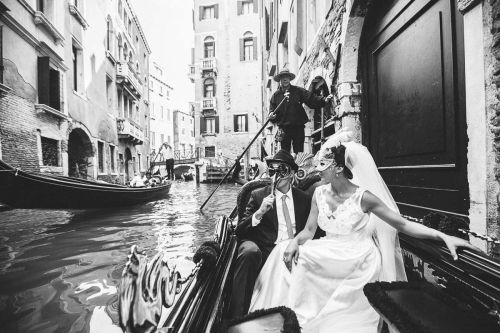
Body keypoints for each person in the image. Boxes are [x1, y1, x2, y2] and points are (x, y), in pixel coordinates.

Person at [248, 131, 479, 332]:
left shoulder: (364, 197)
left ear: (338, 168)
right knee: (286, 254)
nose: (317, 171)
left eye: (322, 166)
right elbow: (308, 231)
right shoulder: (319, 194)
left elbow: (403, 225)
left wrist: (443, 236)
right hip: (330, 248)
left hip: (358, 256)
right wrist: (294, 242)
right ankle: (291, 320)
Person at [229, 150, 313, 318]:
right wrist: (259, 213)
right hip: (268, 249)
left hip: (296, 247)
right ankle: (237, 316)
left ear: (291, 174)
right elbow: (239, 231)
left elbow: (311, 230)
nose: (276, 176)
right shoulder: (258, 195)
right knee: (249, 252)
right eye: (272, 171)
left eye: (281, 171)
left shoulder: (304, 199)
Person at [269, 69, 333, 153]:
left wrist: (324, 99)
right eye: (283, 77)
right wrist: (271, 116)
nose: (285, 79)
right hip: (284, 128)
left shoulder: (298, 91)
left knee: (299, 152)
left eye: (287, 77)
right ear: (280, 80)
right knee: (284, 153)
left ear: (290, 79)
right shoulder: (275, 95)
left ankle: (298, 166)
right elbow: (272, 112)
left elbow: (311, 99)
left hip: (298, 127)